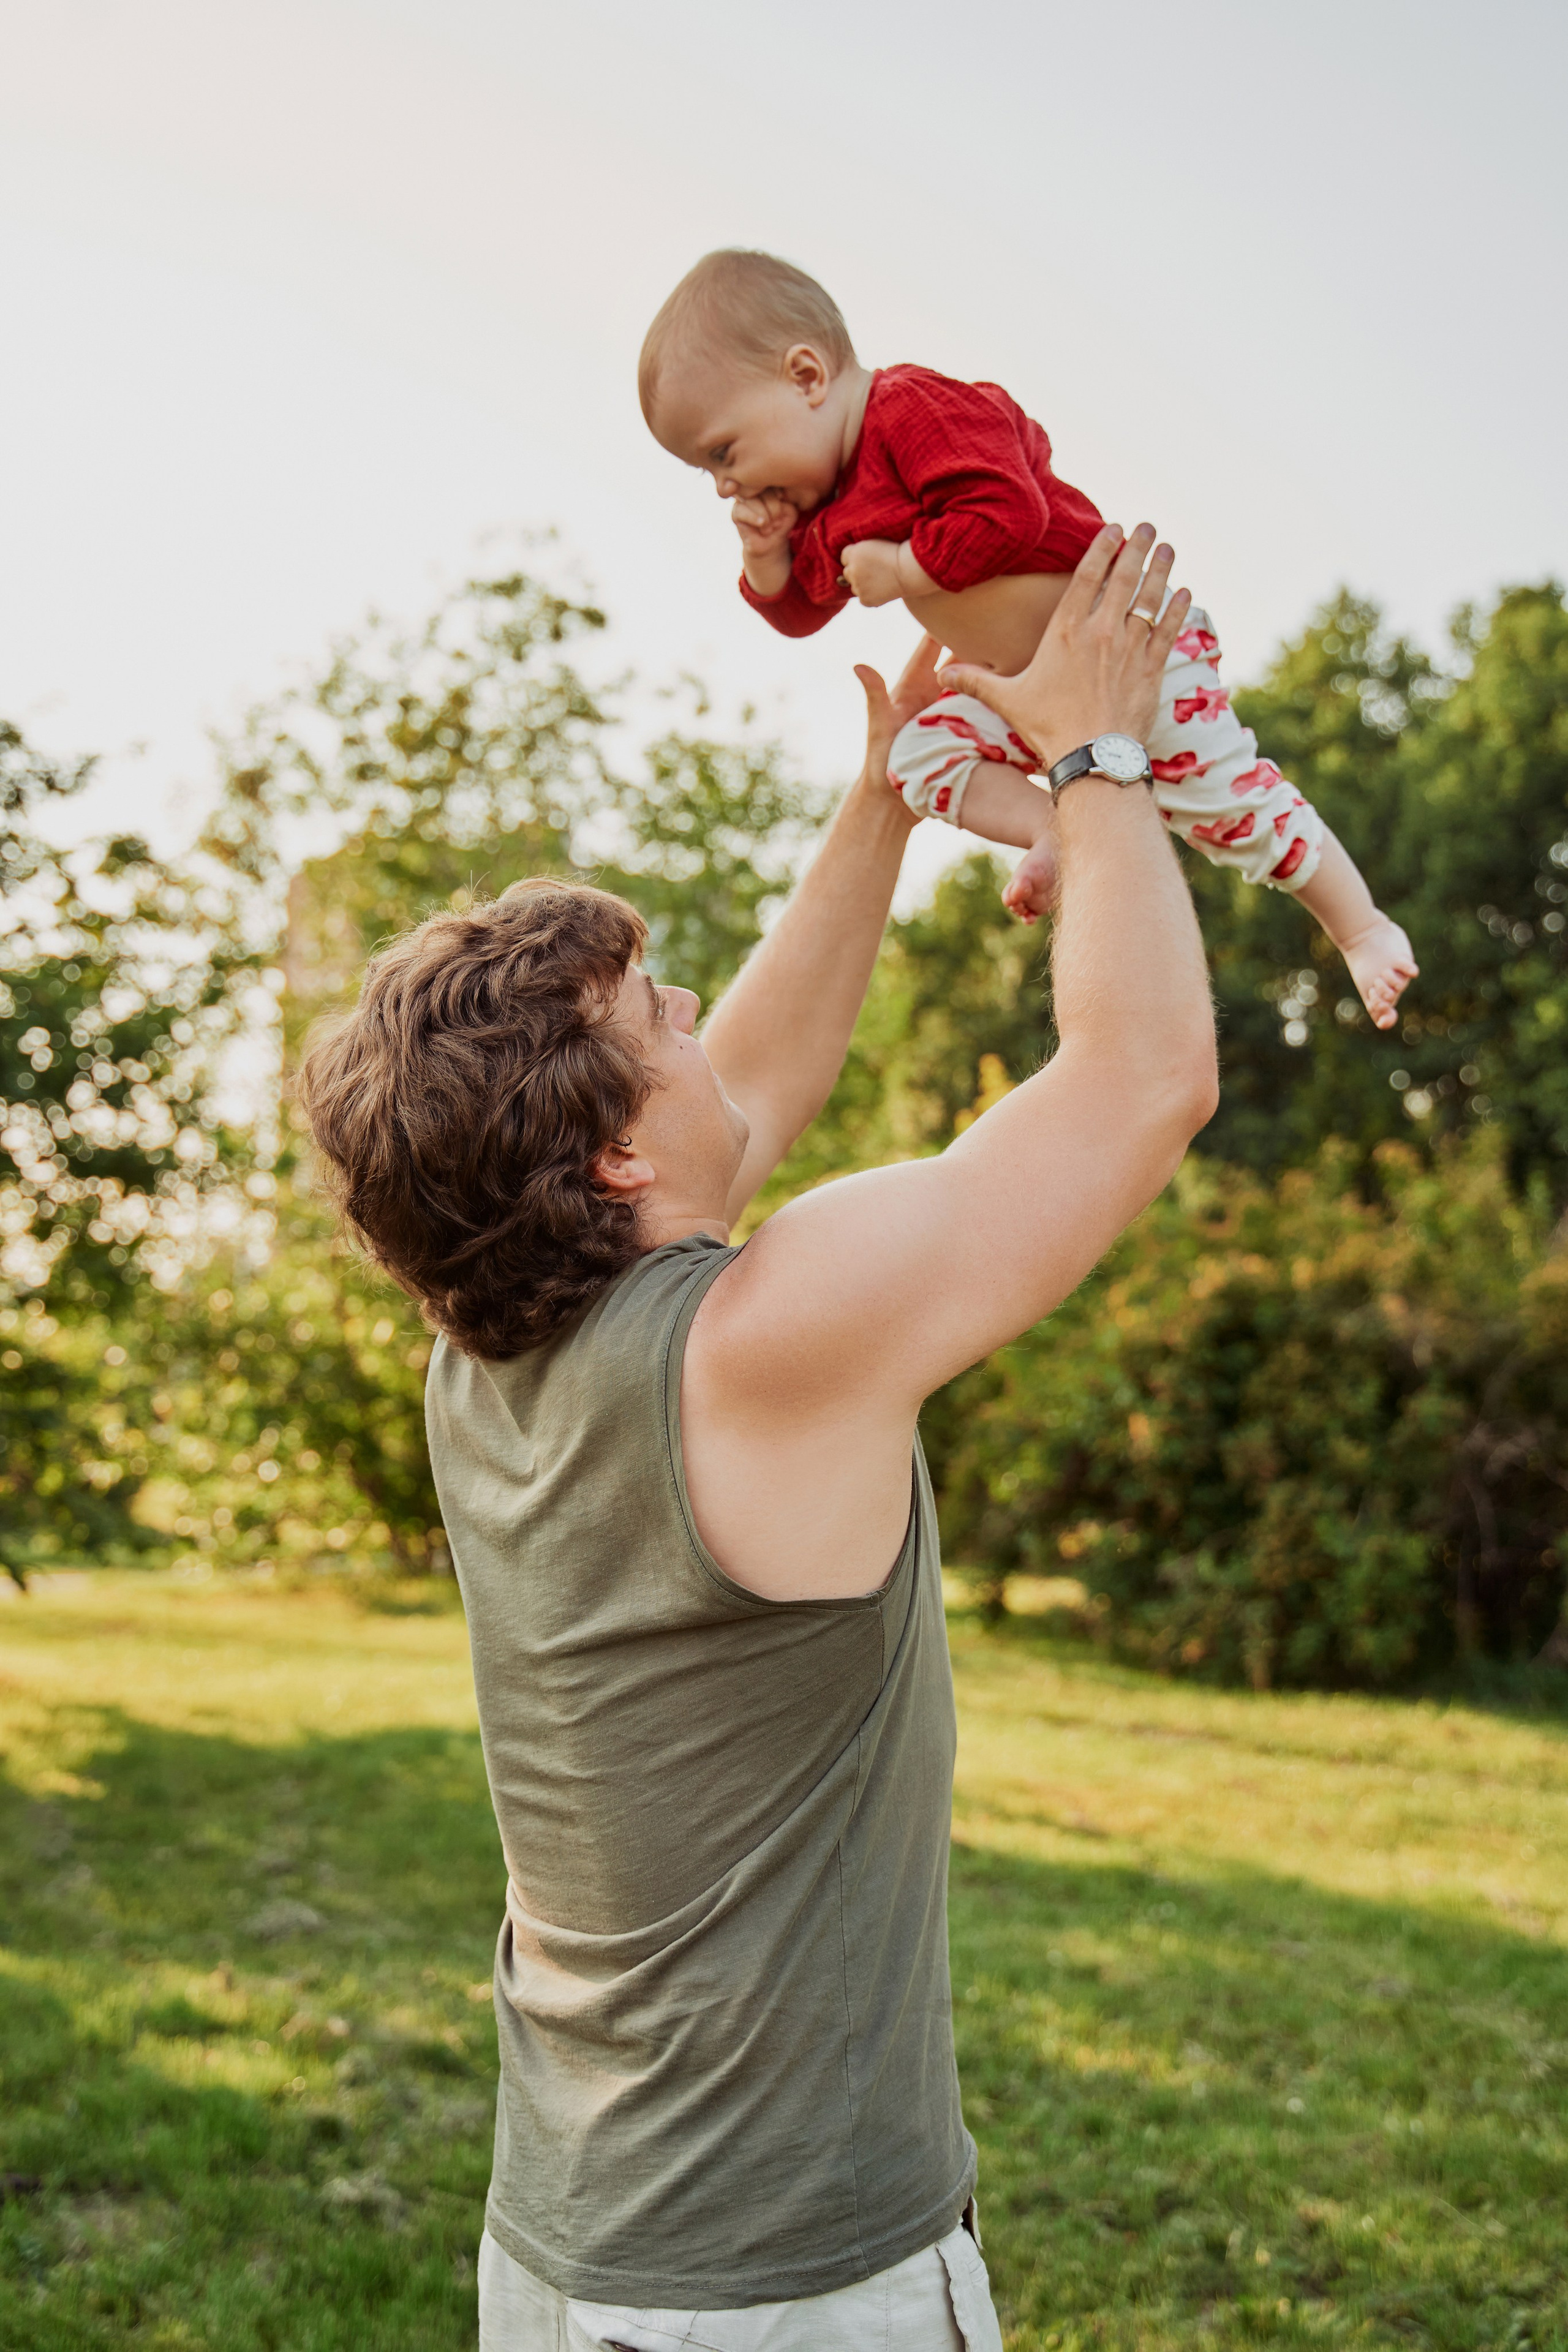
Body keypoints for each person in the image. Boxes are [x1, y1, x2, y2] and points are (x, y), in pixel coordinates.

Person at [297, 523, 1219, 2350]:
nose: (702, 1007)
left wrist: (882, 804)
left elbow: (751, 1088)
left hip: (565, 2251)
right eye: (659, 1008)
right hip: (787, 2289)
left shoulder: (487, 1362)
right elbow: (1138, 1079)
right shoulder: (761, 1342)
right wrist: (1105, 752)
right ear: (617, 1157)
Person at [639, 247, 1418, 1031]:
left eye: (723, 452)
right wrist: (766, 558)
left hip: (1133, 654)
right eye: (706, 473)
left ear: (806, 377)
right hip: (1026, 699)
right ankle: (1055, 828)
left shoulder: (913, 411)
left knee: (1236, 805)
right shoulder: (833, 505)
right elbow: (803, 609)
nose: (725, 486)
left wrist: (908, 568)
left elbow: (1011, 513)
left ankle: (1358, 927)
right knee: (914, 754)